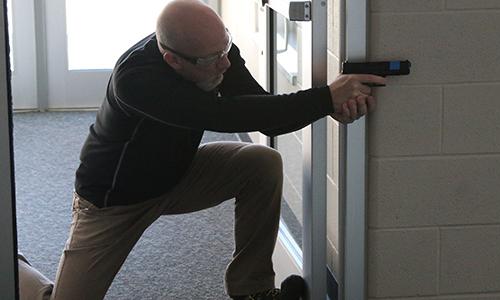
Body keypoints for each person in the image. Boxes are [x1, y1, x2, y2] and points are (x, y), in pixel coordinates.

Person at [49, 0, 385, 299]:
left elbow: (265, 112)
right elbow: (229, 114)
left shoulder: (215, 52)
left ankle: (251, 289)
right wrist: (327, 97)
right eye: (213, 59)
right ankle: (17, 269)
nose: (225, 64)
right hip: (114, 200)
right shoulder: (137, 80)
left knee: (260, 162)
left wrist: (328, 106)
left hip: (177, 176)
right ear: (173, 60)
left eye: (226, 49)